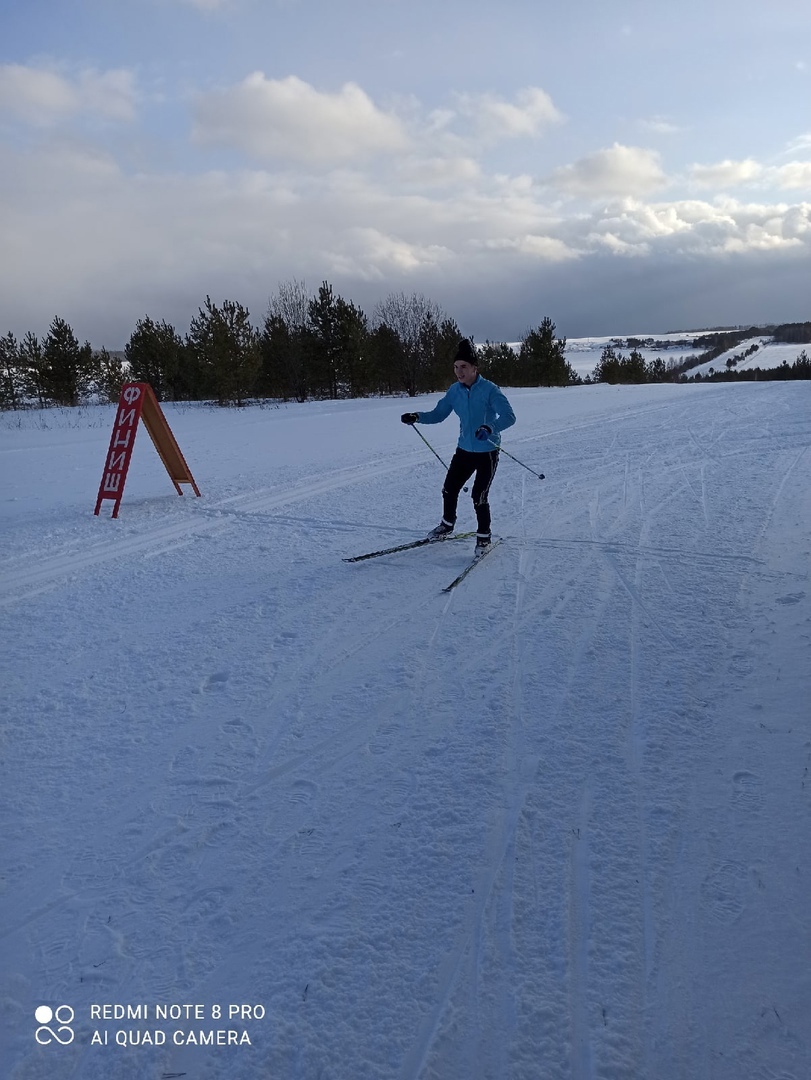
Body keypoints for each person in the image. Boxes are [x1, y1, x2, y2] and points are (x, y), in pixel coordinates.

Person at [401, 338, 516, 552]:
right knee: (449, 489)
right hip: (464, 450)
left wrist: (490, 428)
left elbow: (509, 417)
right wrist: (416, 416)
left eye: (463, 367)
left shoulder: (490, 390)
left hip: (487, 451)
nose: (459, 371)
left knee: (478, 495)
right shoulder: (455, 391)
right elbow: (438, 414)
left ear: (475, 368)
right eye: (456, 367)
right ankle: (447, 525)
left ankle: (483, 537)